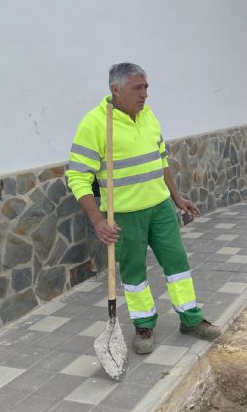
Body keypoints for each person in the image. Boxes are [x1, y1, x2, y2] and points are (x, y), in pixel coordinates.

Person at [67, 62, 221, 355]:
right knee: (135, 273)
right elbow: (77, 176)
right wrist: (98, 220)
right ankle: (144, 325)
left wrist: (176, 198)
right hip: (124, 214)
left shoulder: (148, 116)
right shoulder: (95, 123)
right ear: (116, 89)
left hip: (160, 208)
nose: (145, 94)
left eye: (146, 87)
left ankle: (190, 319)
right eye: (138, 88)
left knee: (177, 264)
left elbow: (161, 160)